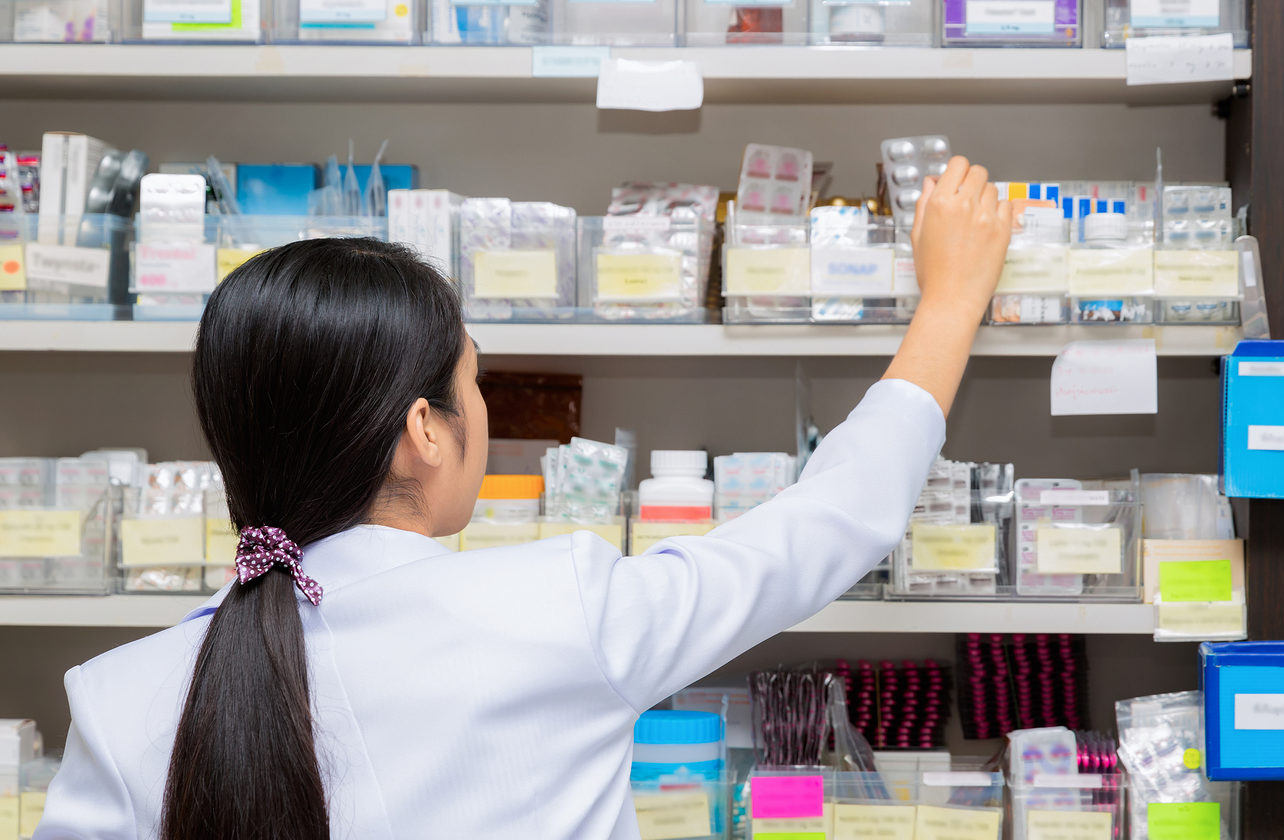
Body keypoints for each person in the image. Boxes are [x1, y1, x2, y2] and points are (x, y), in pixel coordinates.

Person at [34, 157, 1017, 839]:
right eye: (472, 380)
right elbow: (831, 520)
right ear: (424, 431)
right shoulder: (562, 611)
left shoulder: (124, 701)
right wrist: (949, 301)